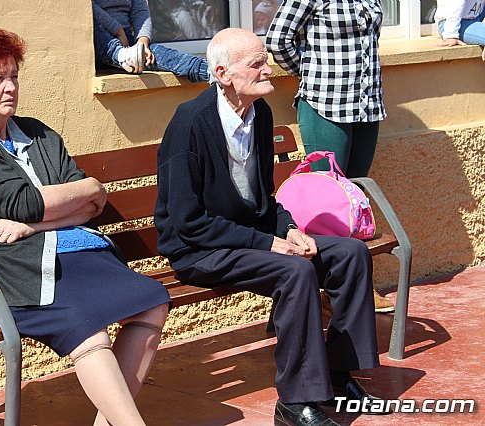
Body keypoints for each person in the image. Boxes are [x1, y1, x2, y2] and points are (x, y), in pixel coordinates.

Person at [0, 27, 170, 426]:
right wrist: (79, 193)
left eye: (14, 76)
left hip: (45, 251)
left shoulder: (37, 133)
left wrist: (43, 219)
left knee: (151, 299)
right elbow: (25, 203)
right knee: (85, 324)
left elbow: (90, 206)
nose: (10, 88)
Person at [155, 28, 391, 426]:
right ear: (223, 74)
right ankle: (296, 402)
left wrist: (290, 227)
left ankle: (337, 375)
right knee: (295, 270)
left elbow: (264, 198)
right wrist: (268, 243)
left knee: (349, 254)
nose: (270, 69)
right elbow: (186, 221)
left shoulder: (258, 114)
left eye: (266, 60)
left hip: (248, 239)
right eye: (257, 63)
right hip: (198, 248)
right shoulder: (190, 123)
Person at [266, 0, 395, 313]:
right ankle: (328, 290)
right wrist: (313, 71)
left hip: (366, 107)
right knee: (327, 204)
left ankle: (355, 284)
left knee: (354, 201)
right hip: (326, 104)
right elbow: (277, 40)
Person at [92, 0, 209, 82]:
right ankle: (120, 55)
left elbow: (141, 11)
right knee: (93, 29)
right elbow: (88, 7)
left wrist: (142, 43)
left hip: (128, 41)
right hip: (102, 38)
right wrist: (117, 30)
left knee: (165, 56)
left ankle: (210, 72)